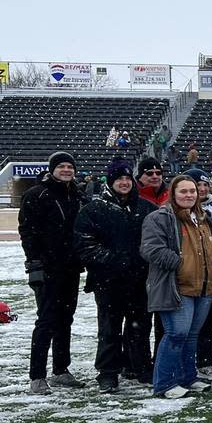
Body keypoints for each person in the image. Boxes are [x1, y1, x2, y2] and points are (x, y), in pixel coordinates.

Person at [73, 158, 158, 393]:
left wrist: (142, 261)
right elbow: (85, 244)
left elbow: (157, 241)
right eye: (119, 179)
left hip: (140, 280)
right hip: (108, 281)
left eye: (127, 179)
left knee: (140, 326)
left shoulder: (146, 208)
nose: (124, 183)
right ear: (111, 182)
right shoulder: (94, 209)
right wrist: (114, 259)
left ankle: (140, 366)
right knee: (110, 327)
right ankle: (108, 371)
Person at [140, 174, 212, 398]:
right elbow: (151, 249)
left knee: (191, 335)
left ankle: (188, 377)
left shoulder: (206, 218)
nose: (189, 195)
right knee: (176, 334)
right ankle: (164, 383)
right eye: (184, 191)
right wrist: (181, 264)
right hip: (177, 286)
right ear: (173, 193)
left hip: (205, 286)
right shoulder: (160, 217)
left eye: (192, 191)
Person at [19, 151, 89, 394]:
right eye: (61, 166)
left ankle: (61, 370)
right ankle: (37, 376)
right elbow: (27, 232)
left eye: (70, 166)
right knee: (46, 320)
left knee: (65, 319)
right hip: (48, 267)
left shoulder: (77, 195)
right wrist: (34, 263)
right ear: (52, 169)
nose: (67, 170)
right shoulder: (36, 194)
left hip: (70, 266)